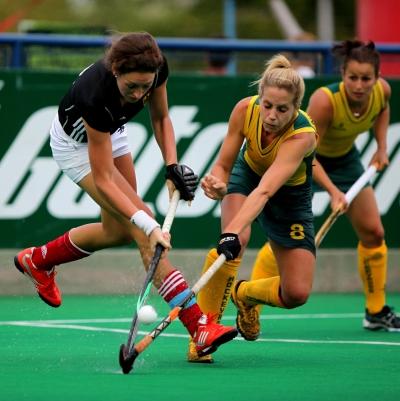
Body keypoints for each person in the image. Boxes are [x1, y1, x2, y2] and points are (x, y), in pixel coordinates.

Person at [13, 31, 237, 358]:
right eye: (131, 86)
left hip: (112, 131)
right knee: (142, 231)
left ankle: (38, 260)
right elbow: (104, 179)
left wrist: (172, 166)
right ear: (115, 71)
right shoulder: (94, 95)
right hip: (76, 146)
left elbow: (160, 117)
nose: (139, 94)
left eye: (145, 86)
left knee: (116, 231)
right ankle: (199, 326)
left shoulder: (156, 68)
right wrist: (147, 223)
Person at [249, 40, 400, 332]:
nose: (359, 85)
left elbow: (382, 110)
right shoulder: (325, 101)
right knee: (284, 238)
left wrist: (381, 147)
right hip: (304, 161)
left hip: (345, 162)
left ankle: (376, 311)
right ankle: (250, 305)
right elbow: (305, 149)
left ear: (377, 78)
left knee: (374, 232)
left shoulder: (382, 91)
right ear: (342, 74)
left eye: (366, 78)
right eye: (352, 77)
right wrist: (333, 192)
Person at [187, 54, 318, 363]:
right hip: (247, 175)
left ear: (296, 107)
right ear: (260, 99)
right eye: (267, 106)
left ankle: (244, 294)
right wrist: (218, 183)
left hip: (289, 197)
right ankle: (201, 338)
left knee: (296, 294)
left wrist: (230, 232)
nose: (272, 116)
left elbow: (266, 191)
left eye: (282, 109)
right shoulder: (245, 110)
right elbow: (223, 164)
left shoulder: (303, 135)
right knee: (236, 245)